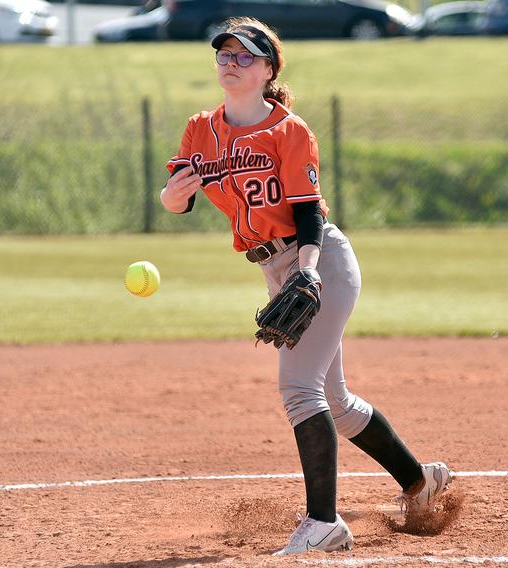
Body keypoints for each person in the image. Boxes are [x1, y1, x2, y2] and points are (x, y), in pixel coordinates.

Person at [160, 17, 453, 556]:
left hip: (320, 265)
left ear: (268, 70)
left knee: (300, 389)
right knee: (335, 402)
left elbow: (307, 214)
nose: (230, 62)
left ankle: (324, 524)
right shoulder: (200, 128)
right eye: (224, 54)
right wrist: (171, 197)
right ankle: (419, 482)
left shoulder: (289, 132)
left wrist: (308, 270)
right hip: (275, 268)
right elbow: (180, 199)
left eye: (244, 56)